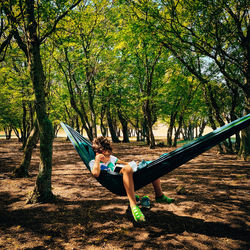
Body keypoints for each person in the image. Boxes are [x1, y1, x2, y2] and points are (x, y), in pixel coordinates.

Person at [89, 136, 174, 223]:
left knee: (151, 168)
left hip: (128, 178)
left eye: (109, 154)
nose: (109, 157)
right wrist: (97, 159)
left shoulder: (112, 158)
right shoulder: (93, 163)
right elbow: (95, 173)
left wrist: (134, 164)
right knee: (127, 169)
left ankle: (159, 195)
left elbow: (124, 163)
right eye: (106, 155)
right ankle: (133, 205)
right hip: (117, 183)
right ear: (98, 153)